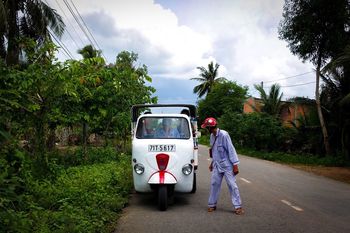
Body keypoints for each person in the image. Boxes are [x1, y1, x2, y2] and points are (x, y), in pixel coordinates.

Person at [201, 117, 244, 215]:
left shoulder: (224, 135)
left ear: (210, 128)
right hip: (217, 164)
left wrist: (235, 165)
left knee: (232, 185)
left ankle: (238, 206)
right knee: (214, 184)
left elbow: (231, 149)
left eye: (207, 128)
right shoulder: (212, 136)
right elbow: (214, 151)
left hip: (227, 165)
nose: (207, 130)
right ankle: (212, 204)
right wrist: (212, 163)